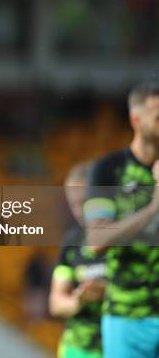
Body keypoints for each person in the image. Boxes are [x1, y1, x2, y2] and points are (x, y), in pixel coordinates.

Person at [84, 82, 159, 358]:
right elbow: (96, 240)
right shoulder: (109, 170)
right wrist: (154, 208)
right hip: (127, 316)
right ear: (136, 120)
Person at [49, 162, 106, 358]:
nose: (79, 211)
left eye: (84, 201)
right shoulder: (71, 242)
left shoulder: (124, 237)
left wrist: (107, 292)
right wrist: (79, 299)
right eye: (73, 204)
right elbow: (56, 303)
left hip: (117, 345)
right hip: (76, 349)